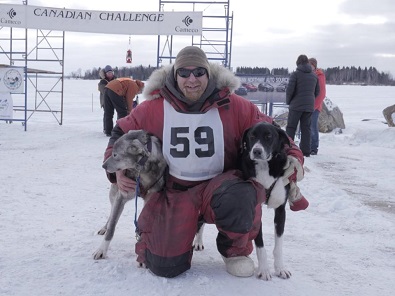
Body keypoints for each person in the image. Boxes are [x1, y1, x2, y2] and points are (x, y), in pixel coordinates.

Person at [103, 46, 307, 278]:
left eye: (199, 72)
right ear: (174, 75)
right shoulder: (155, 107)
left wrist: (294, 156)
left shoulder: (233, 105)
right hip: (176, 192)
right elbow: (121, 130)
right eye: (184, 73)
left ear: (208, 74)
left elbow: (272, 128)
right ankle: (179, 233)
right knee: (164, 266)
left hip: (220, 188)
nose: (192, 79)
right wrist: (118, 171)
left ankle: (235, 251)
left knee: (242, 193)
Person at [286, 54, 320, 157]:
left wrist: (289, 101)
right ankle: (306, 151)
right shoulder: (314, 76)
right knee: (306, 129)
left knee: (291, 127)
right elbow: (317, 91)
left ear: (298, 63)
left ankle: (288, 149)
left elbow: (290, 90)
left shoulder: (295, 74)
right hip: (309, 106)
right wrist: (310, 100)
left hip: (296, 106)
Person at [308, 58, 326, 155]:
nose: (309, 67)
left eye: (311, 65)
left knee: (313, 127)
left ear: (314, 66)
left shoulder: (319, 76)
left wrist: (314, 106)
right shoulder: (308, 74)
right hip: (307, 105)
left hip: (315, 107)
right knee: (307, 127)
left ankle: (314, 148)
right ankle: (308, 146)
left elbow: (322, 93)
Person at [98, 65, 116, 134]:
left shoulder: (115, 80)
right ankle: (106, 129)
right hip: (105, 101)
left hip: (114, 100)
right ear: (105, 74)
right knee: (107, 114)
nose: (110, 74)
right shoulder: (103, 82)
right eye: (108, 73)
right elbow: (104, 91)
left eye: (111, 73)